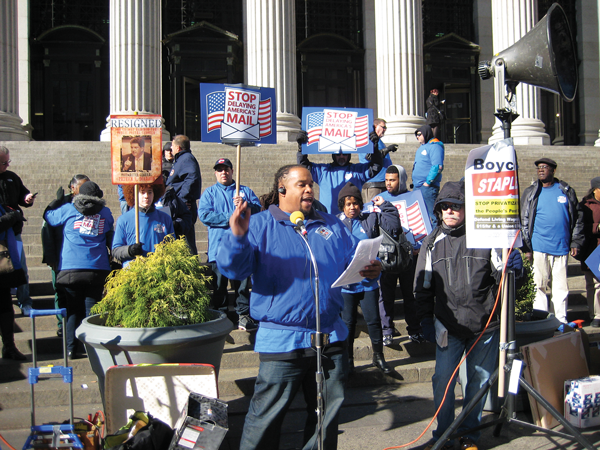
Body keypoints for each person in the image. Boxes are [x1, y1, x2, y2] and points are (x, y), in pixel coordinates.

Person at [216, 165, 382, 450]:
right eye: (301, 185)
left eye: (311, 185)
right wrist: (238, 238)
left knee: (324, 420)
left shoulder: (332, 225)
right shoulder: (258, 225)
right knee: (265, 420)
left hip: (331, 338)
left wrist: (370, 270)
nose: (309, 190)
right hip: (282, 341)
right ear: (282, 190)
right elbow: (233, 269)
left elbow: (353, 265)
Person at [414, 181, 522, 450]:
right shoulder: (431, 243)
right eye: (445, 206)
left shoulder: (485, 238)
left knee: (478, 383)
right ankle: (444, 434)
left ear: (467, 209)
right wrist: (426, 320)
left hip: (483, 325)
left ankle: (469, 436)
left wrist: (514, 269)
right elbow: (422, 287)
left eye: (456, 206)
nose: (450, 211)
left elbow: (503, 280)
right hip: (447, 328)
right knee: (442, 382)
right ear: (438, 210)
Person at [44, 181, 114, 359]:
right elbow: (107, 230)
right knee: (92, 310)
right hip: (97, 268)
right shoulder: (105, 212)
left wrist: (55, 201)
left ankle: (70, 349)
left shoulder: (68, 209)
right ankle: (94, 349)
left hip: (71, 268)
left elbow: (49, 217)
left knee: (73, 310)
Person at [336, 181, 399, 375]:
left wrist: (385, 205)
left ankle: (378, 356)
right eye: (348, 204)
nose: (352, 207)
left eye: (355, 203)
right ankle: (348, 360)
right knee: (348, 323)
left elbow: (394, 224)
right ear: (342, 206)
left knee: (373, 321)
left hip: (368, 282)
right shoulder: (335, 223)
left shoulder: (369, 220)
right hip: (347, 284)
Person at [198, 158, 261, 331]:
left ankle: (243, 315)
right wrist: (232, 217)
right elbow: (204, 215)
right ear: (215, 173)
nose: (223, 172)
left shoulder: (244, 191)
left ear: (232, 171)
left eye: (226, 169)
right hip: (219, 248)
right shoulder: (209, 193)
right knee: (219, 286)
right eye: (219, 170)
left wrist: (244, 206)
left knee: (241, 286)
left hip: (241, 247)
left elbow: (258, 209)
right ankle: (221, 316)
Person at [520, 157, 584, 326]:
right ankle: (542, 319)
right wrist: (526, 247)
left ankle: (560, 320)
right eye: (539, 168)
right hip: (539, 246)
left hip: (561, 247)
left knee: (561, 287)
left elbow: (577, 218)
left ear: (553, 171)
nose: (541, 170)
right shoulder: (531, 192)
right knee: (539, 285)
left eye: (545, 167)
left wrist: (575, 242)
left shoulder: (565, 190)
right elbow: (524, 219)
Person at [376, 165, 425, 346]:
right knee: (385, 295)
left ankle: (414, 329)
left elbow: (423, 225)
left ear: (401, 180)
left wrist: (419, 245)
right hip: (387, 257)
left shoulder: (414, 198)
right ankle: (387, 331)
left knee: (410, 295)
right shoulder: (378, 200)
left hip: (408, 256)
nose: (388, 183)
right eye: (387, 180)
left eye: (392, 180)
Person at [41, 174, 90, 337]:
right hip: (60, 256)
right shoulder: (61, 204)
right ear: (73, 188)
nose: (85, 191)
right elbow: (47, 230)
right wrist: (51, 257)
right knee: (61, 293)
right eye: (81, 187)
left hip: (79, 259)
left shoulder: (91, 205)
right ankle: (62, 324)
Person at [296, 129, 387, 214]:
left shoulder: (358, 171)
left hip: (351, 219)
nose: (342, 156)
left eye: (345, 153)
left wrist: (374, 149)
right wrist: (302, 149)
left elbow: (376, 166)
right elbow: (304, 165)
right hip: (329, 219)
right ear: (333, 154)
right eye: (338, 154)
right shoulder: (323, 171)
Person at [0, 146, 35, 317]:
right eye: (3, 162)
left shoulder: (12, 177)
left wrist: (27, 199)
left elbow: (23, 194)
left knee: (21, 268)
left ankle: (25, 302)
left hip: (13, 232)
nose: (7, 165)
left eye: (8, 161)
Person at [112, 183, 174, 267]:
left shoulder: (165, 218)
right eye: (142, 192)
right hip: (134, 272)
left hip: (159, 271)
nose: (146, 196)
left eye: (149, 192)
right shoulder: (123, 220)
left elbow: (173, 248)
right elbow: (116, 250)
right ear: (134, 194)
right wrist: (130, 250)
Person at [0, 205, 27, 360]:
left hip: (5, 262)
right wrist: (12, 217)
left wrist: (16, 221)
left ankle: (9, 346)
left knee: (5, 307)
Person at [167, 135, 201, 254]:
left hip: (184, 206)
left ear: (178, 147)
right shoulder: (181, 159)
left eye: (172, 145)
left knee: (186, 241)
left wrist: (183, 199)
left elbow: (192, 177)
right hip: (178, 205)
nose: (170, 148)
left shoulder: (186, 159)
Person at [412, 124, 444, 226]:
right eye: (416, 135)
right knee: (419, 215)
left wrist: (428, 182)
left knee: (433, 215)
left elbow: (437, 166)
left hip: (427, 188)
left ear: (426, 133)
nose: (417, 136)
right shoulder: (421, 147)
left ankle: (436, 238)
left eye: (419, 134)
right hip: (417, 186)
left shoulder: (435, 146)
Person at [359, 118, 398, 203]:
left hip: (383, 182)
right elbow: (369, 156)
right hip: (374, 183)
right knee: (374, 210)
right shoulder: (367, 139)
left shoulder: (379, 141)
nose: (385, 129)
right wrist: (387, 150)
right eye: (383, 127)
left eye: (385, 128)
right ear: (375, 126)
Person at [579, 176, 600, 328]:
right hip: (590, 249)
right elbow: (580, 226)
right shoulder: (585, 205)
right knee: (591, 284)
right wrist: (596, 228)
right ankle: (594, 314)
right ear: (595, 189)